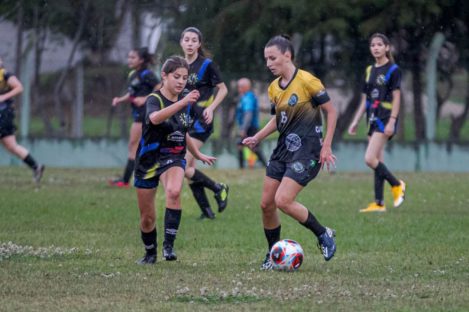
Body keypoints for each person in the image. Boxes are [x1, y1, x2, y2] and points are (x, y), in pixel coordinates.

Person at [243, 35, 338, 270]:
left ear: (288, 55)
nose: (268, 63)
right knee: (266, 205)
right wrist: (257, 137)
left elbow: (332, 112)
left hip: (307, 151)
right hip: (283, 150)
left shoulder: (307, 81)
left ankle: (323, 233)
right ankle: (273, 253)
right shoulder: (274, 88)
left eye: (272, 58)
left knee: (283, 200)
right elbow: (279, 119)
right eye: (266, 59)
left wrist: (326, 146)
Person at [133, 56, 216, 264]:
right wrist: (182, 103)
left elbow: (183, 131)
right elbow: (154, 118)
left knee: (174, 191)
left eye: (185, 78)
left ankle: (168, 246)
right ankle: (150, 252)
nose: (181, 81)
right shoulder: (155, 99)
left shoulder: (185, 100)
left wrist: (197, 154)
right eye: (176, 77)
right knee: (147, 217)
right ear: (164, 76)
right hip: (148, 160)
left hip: (174, 154)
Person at [348, 33, 406, 213]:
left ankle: (397, 185)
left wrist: (392, 121)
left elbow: (397, 98)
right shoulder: (369, 70)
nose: (376, 48)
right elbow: (365, 99)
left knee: (369, 158)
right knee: (377, 160)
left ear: (387, 47)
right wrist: (356, 120)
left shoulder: (393, 69)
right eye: (373, 45)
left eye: (380, 44)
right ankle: (379, 203)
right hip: (371, 117)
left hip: (385, 117)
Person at [179, 27, 229, 219]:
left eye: (194, 40)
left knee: (183, 167)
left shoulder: (207, 64)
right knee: (189, 169)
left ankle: (218, 188)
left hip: (201, 121)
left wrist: (211, 108)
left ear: (199, 44)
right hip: (184, 121)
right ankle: (208, 210)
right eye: (187, 39)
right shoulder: (179, 64)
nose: (190, 43)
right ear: (181, 42)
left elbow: (223, 90)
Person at [110, 47, 160, 188]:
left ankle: (126, 180)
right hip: (138, 113)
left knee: (134, 144)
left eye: (133, 57)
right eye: (129, 57)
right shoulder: (133, 74)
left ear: (141, 60)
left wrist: (145, 98)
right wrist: (120, 99)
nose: (129, 60)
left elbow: (160, 87)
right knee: (136, 145)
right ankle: (131, 178)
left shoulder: (148, 74)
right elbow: (132, 93)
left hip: (146, 113)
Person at [0, 56, 44, 183]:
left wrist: (3, 97)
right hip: (5, 114)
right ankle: (36, 167)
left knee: (11, 146)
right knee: (11, 146)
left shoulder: (5, 74)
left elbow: (19, 87)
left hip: (3, 113)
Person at [235, 77, 267, 169]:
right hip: (246, 126)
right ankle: (241, 168)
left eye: (240, 87)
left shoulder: (248, 97)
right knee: (240, 145)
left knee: (253, 147)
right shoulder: (243, 97)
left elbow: (248, 114)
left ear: (246, 87)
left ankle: (265, 166)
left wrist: (243, 129)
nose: (238, 89)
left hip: (250, 127)